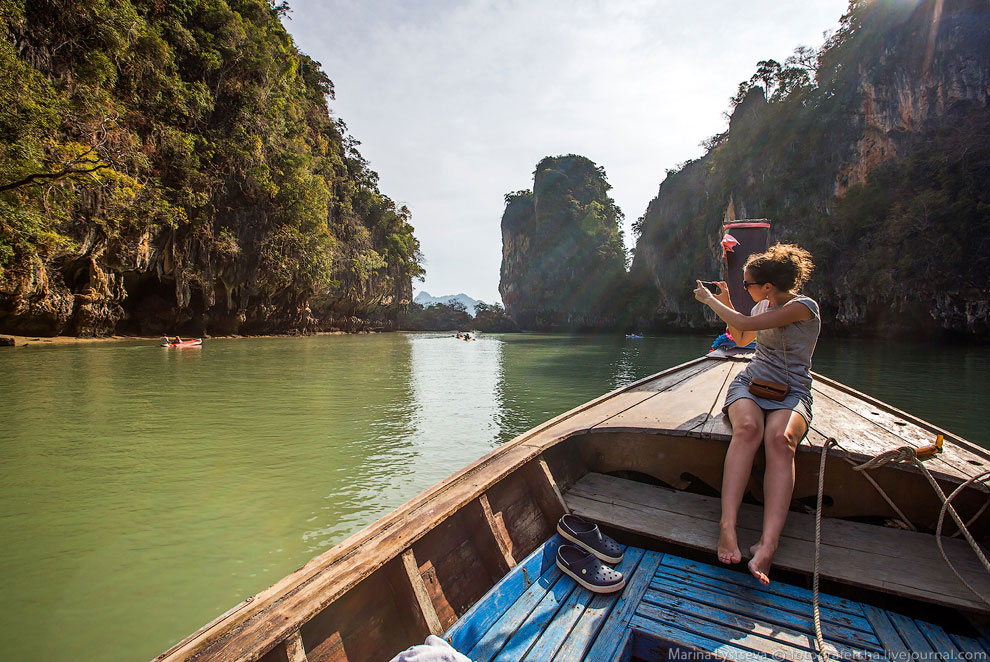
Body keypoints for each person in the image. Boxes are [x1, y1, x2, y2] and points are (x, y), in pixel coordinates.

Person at [693, 243, 820, 585]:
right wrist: (731, 303)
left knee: (780, 440)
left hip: (792, 392)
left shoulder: (803, 308)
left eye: (747, 284)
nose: (746, 289)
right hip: (751, 383)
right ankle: (727, 526)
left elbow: (743, 322)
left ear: (767, 285)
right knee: (748, 429)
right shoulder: (763, 304)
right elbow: (742, 333)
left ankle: (768, 544)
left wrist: (711, 301)